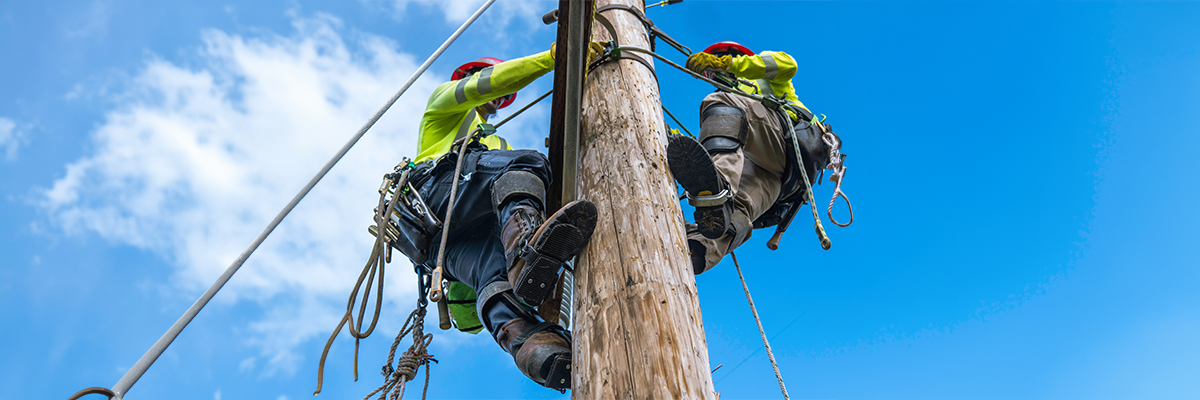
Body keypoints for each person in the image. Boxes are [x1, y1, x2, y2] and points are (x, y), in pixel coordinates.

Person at [405, 43, 601, 389]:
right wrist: (554, 58)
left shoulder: (495, 142)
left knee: (494, 276)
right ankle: (525, 252)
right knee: (526, 164)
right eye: (501, 93)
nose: (499, 99)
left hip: (435, 243)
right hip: (437, 194)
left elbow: (467, 321)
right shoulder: (444, 105)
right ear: (466, 75)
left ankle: (537, 350)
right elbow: (488, 83)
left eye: (505, 96)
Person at [667, 41, 833, 274]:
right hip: (779, 177)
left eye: (716, 65)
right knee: (737, 212)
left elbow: (788, 64)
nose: (713, 74)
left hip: (785, 138)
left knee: (719, 104)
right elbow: (717, 147)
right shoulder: (733, 108)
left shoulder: (759, 78)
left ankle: (718, 192)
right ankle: (696, 252)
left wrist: (728, 64)